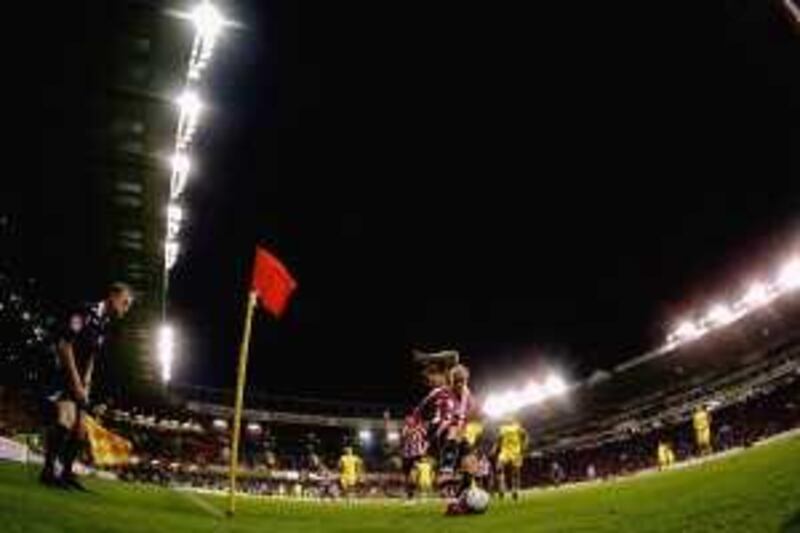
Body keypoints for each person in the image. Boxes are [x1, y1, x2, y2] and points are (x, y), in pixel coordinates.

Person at [40, 282, 134, 490]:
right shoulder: (84, 310)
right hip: (63, 373)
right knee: (65, 420)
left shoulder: (104, 323)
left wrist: (86, 384)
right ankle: (47, 472)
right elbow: (65, 345)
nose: (125, 309)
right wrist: (75, 382)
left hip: (81, 380)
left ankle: (66, 474)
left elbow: (91, 357)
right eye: (125, 303)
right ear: (113, 296)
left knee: (81, 430)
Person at [494, 416, 528, 500]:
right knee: (499, 467)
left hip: (515, 452)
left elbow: (525, 435)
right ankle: (502, 487)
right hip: (505, 451)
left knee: (515, 472)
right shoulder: (502, 428)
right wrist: (495, 448)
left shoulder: (517, 426)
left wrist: (524, 445)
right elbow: (499, 439)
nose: (508, 419)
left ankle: (515, 490)